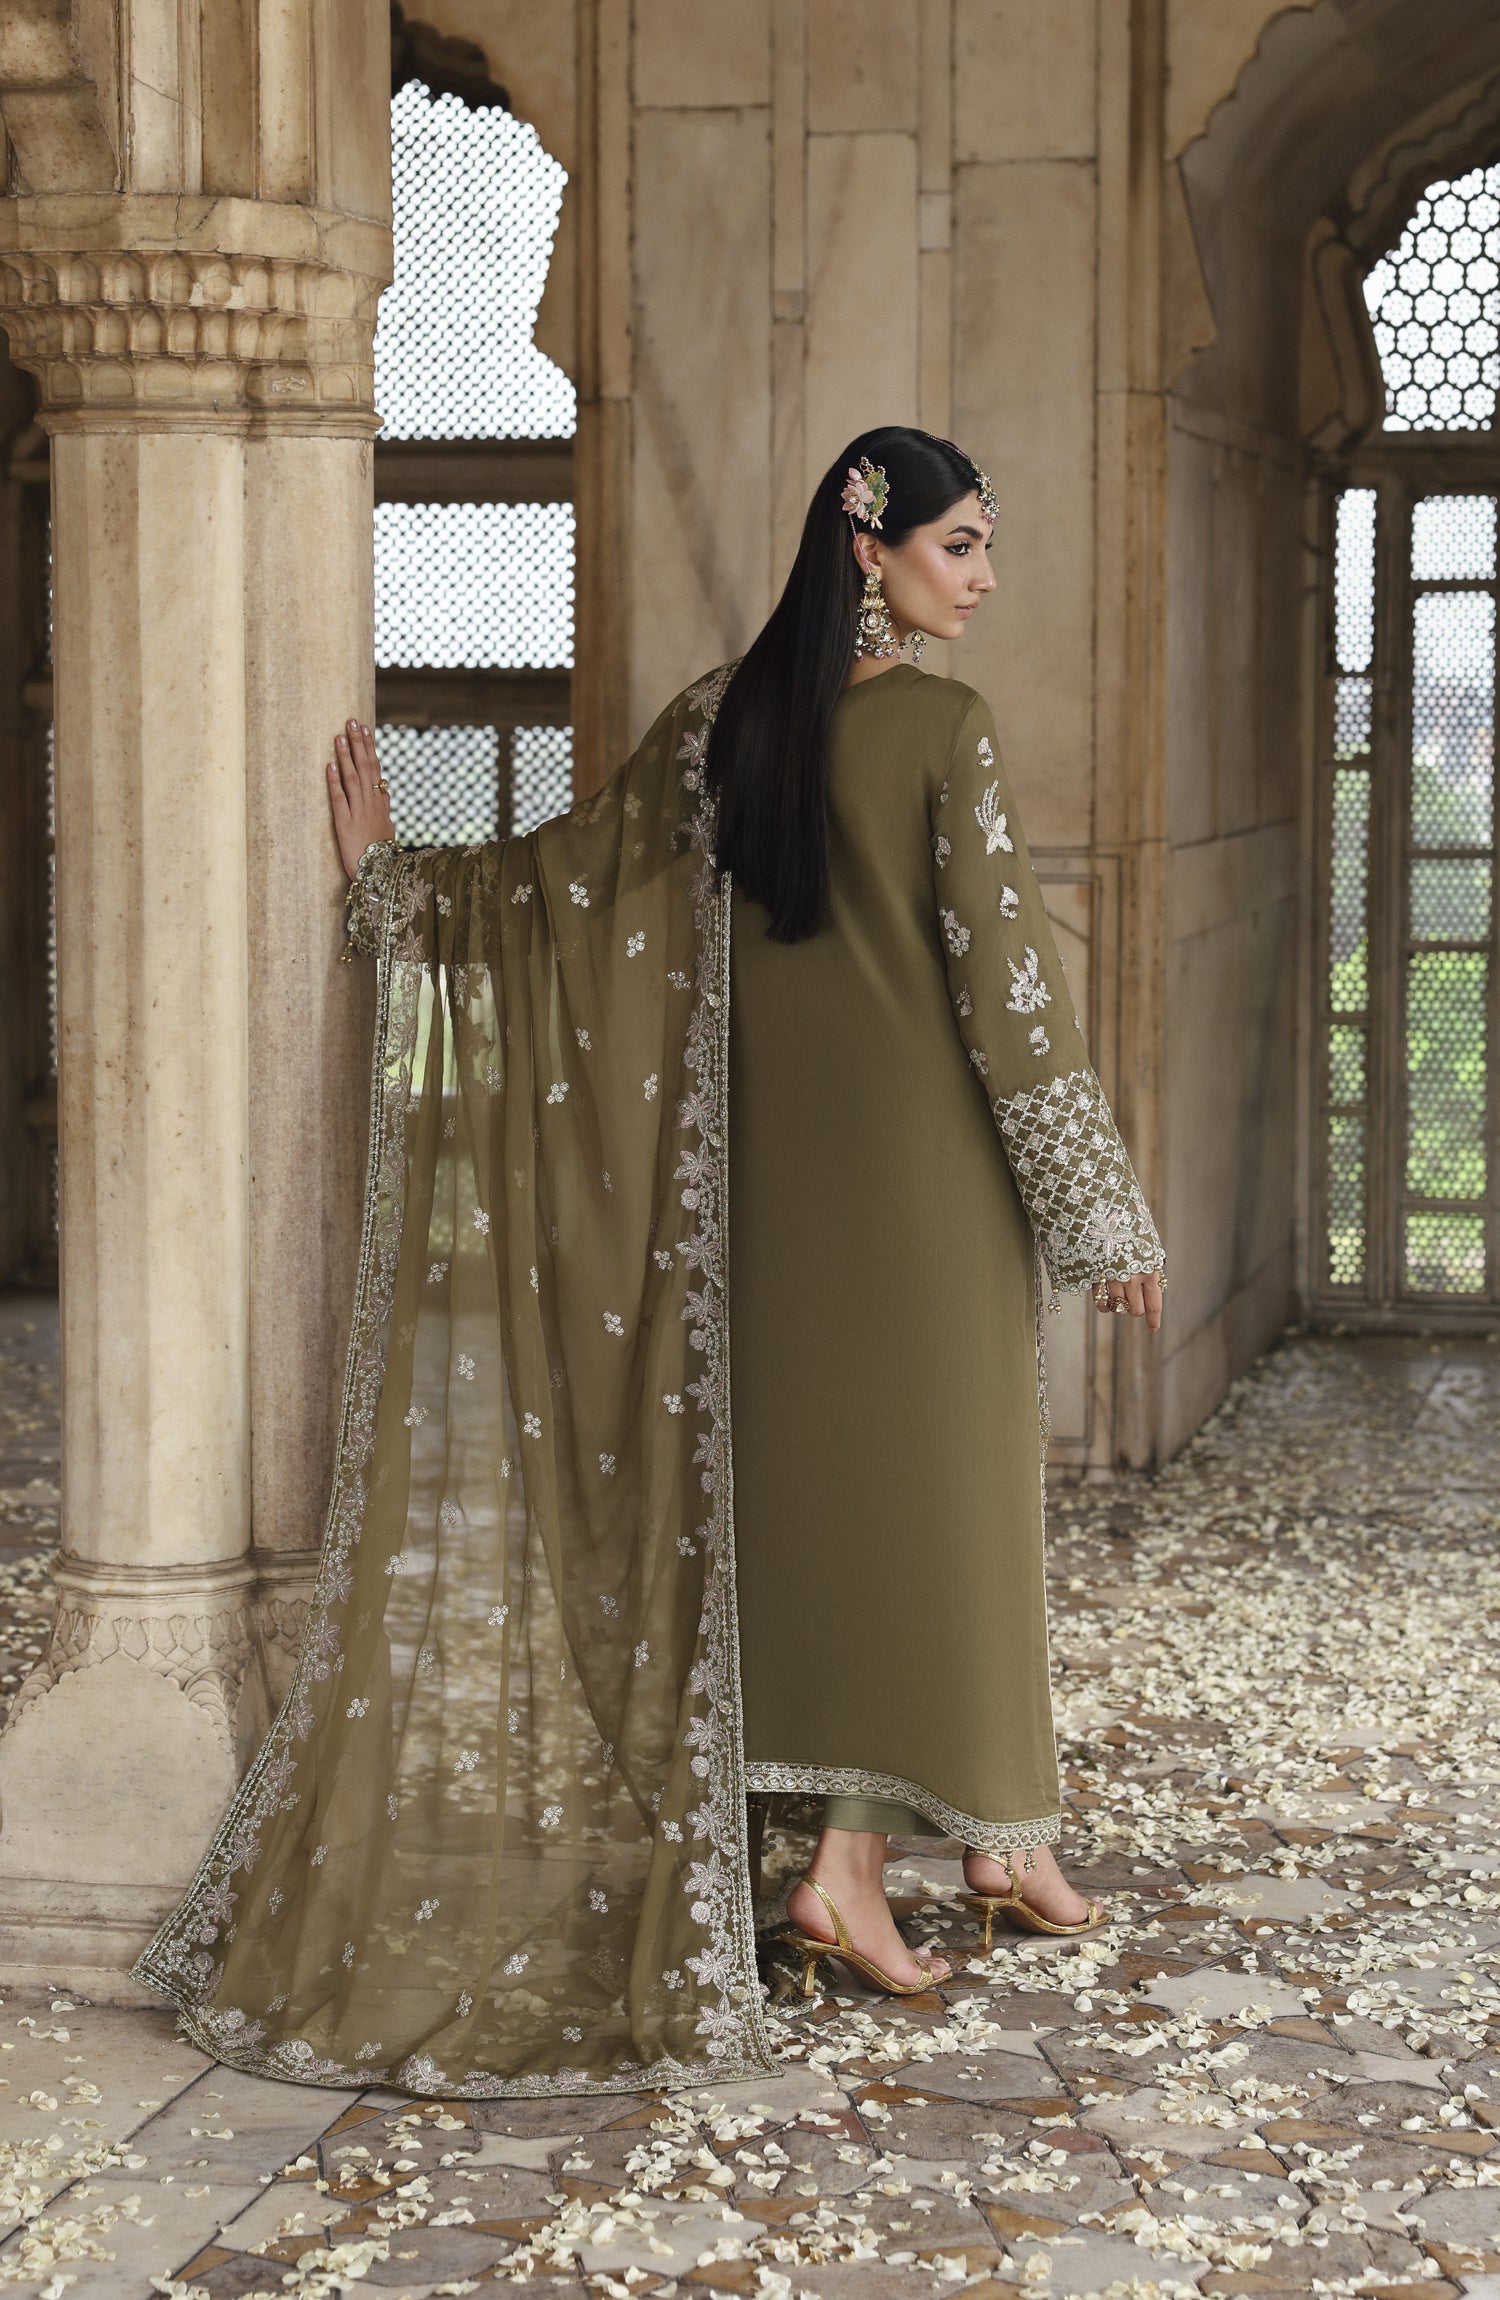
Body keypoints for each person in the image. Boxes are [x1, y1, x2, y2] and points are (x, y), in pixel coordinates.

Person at [133, 427, 1163, 2095]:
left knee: (826, 1526)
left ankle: (959, 1838)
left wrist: (403, 887)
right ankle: (853, 1869)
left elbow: (562, 891)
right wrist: (1103, 1215)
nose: (983, 577)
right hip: (926, 1201)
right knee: (935, 1518)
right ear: (872, 551)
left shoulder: (721, 725)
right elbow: (1011, 997)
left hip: (766, 1204)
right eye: (960, 546)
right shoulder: (943, 730)